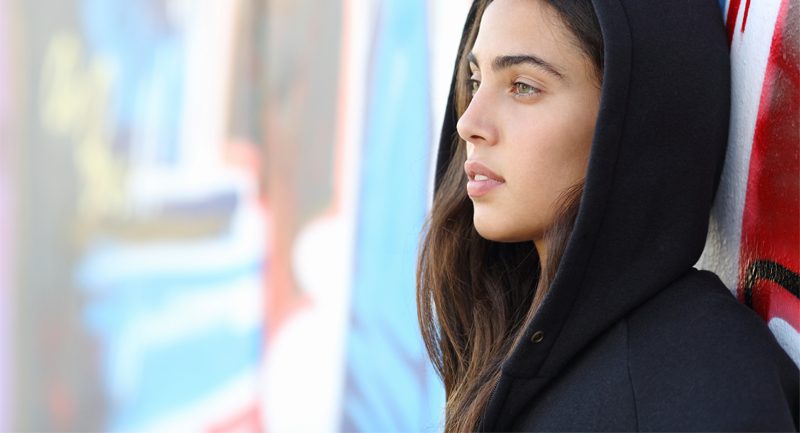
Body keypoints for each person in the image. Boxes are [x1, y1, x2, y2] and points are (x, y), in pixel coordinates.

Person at [416, 0, 800, 431]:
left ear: (632, 116)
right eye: (475, 78)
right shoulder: (518, 348)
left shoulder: (705, 378)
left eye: (523, 85)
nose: (469, 122)